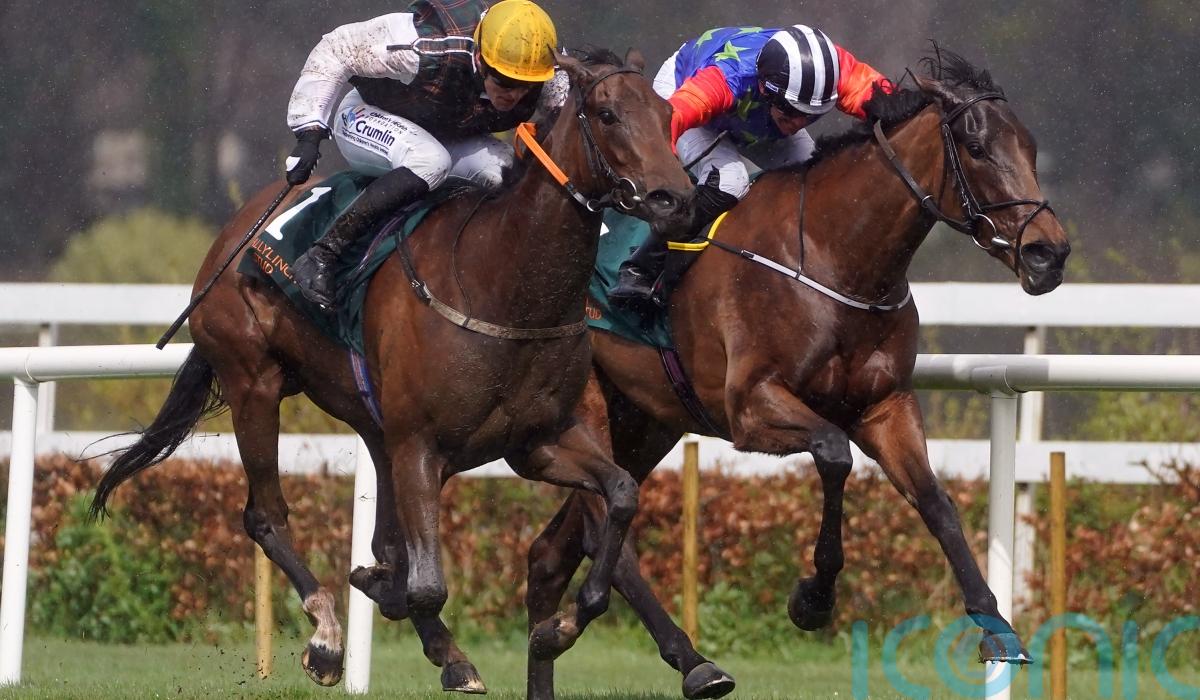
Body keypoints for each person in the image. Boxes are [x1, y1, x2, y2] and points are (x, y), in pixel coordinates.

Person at [284, 0, 564, 311]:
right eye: (505, 81)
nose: (515, 94)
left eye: (528, 86)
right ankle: (322, 255)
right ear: (480, 59)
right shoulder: (425, 46)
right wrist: (309, 131)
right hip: (367, 115)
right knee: (431, 161)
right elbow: (336, 48)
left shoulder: (544, 66)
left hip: (445, 133)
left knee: (510, 174)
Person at [607, 24, 893, 307]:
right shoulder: (729, 77)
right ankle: (641, 267)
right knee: (730, 180)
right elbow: (669, 123)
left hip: (749, 111)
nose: (798, 124)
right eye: (791, 112)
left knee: (816, 178)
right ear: (765, 88)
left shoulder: (830, 72)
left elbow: (893, 102)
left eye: (810, 115)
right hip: (683, 90)